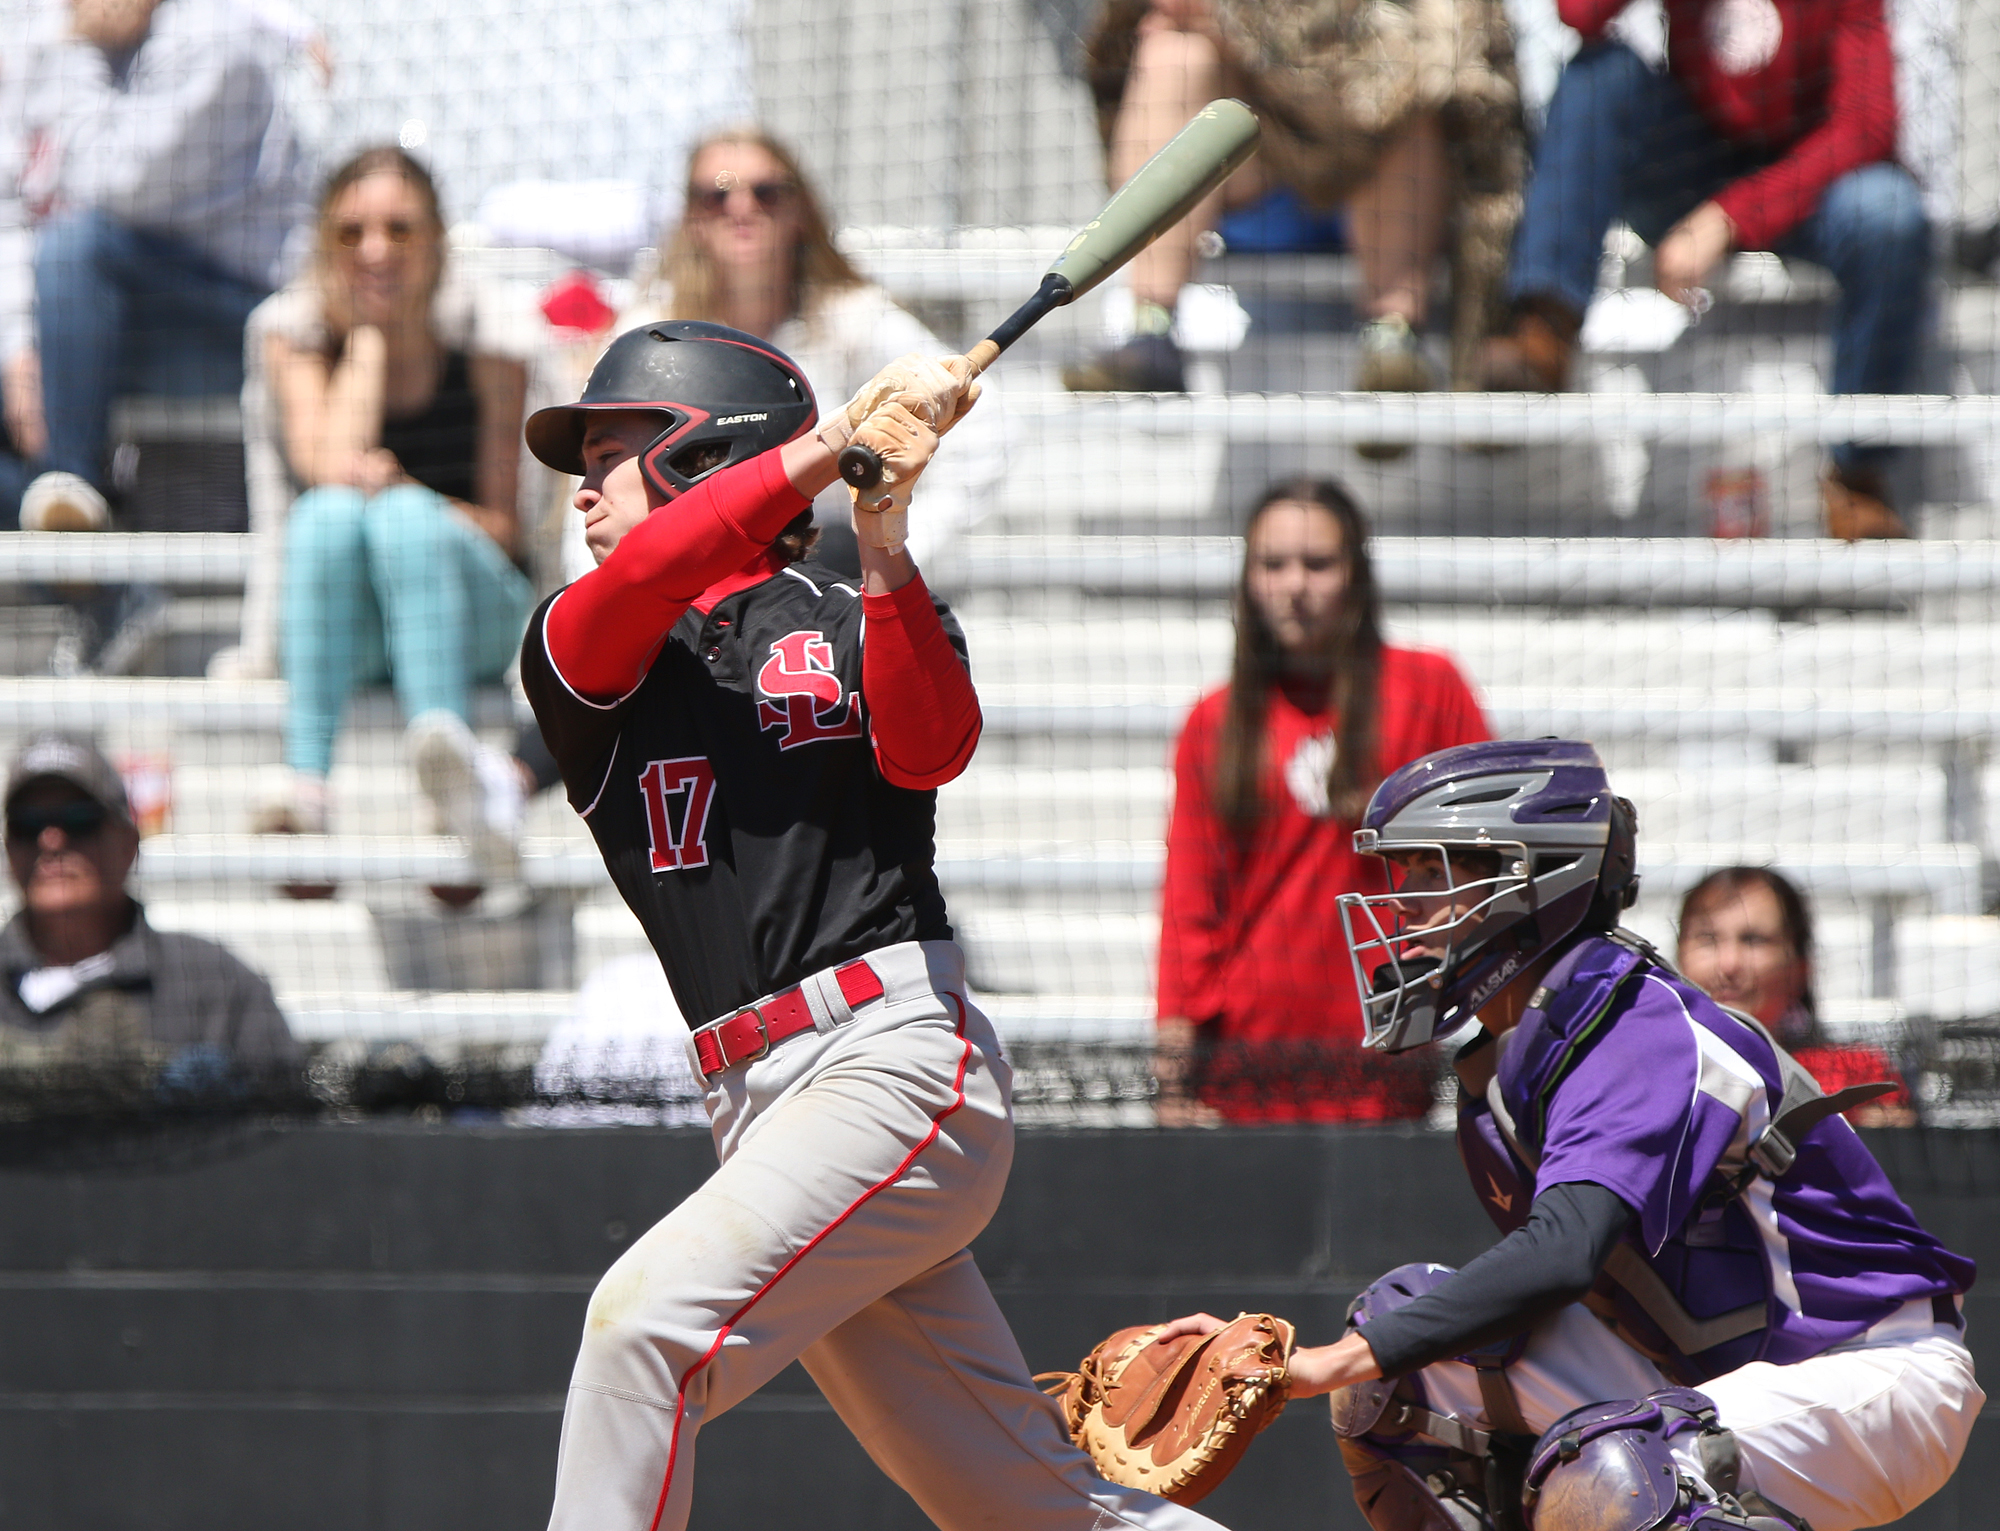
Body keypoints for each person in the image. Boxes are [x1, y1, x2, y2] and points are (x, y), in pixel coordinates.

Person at [516, 319, 1238, 1531]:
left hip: (892, 1061)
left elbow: (931, 743)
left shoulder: (850, 609)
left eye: (616, 445)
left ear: (705, 451)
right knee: (1021, 1506)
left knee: (638, 1329)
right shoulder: (585, 645)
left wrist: (886, 537)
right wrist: (835, 441)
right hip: (756, 1106)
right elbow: (649, 577)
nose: (582, 482)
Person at [1167, 739, 1978, 1531]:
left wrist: (1316, 1363)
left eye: (1432, 869)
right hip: (1715, 1379)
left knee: (1624, 1464)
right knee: (1403, 1350)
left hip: (1871, 1371)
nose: (1403, 902)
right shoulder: (1500, 1068)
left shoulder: (1633, 1022)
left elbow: (1561, 1253)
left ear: (1530, 883)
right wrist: (1286, 1359)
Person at [1480, 0, 1927, 541]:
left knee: (1890, 212)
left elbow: (1867, 128)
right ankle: (1542, 331)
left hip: (1808, 180)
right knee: (1600, 74)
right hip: (1690, 158)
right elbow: (1579, 15)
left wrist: (1730, 218)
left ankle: (1858, 473)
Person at [1156, 479, 1487, 1124]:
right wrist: (1173, 1075)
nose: (1294, 585)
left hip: (1389, 1057)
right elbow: (1189, 904)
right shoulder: (1212, 723)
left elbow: (1485, 858)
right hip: (1246, 1065)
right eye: (1272, 564)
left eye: (1318, 563)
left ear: (1356, 576)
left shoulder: (1431, 690)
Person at [249, 147, 535, 882]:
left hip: (477, 613)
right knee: (328, 518)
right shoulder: (300, 336)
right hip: (361, 628)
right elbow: (328, 469)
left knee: (401, 518)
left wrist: (413, 496)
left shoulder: (490, 343)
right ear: (324, 246)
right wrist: (371, 339)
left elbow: (507, 529)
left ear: (438, 240)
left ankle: (447, 784)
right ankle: (307, 784)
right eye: (351, 234)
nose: (376, 250)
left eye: (400, 230)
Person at [1067, 0, 1525, 407]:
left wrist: (1237, 18)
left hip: (1377, 172)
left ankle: (1393, 343)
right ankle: (1150, 332)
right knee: (1176, 50)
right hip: (1256, 179)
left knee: (1413, 78)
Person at [621, 126, 1002, 564]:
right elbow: (608, 468)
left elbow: (987, 422)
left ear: (799, 209)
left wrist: (888, 547)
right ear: (692, 218)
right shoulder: (655, 332)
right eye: (716, 195)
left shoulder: (854, 317)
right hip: (693, 573)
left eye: (766, 192)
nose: (741, 209)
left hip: (821, 571)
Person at [0, 0, 308, 532]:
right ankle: (88, 576)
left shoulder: (215, 38)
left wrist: (76, 51)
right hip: (92, 315)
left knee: (76, 248)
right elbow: (12, 208)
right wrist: (20, 345)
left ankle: (69, 479)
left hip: (239, 322)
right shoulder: (35, 34)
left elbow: (107, 184)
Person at [0, 733, 299, 1088]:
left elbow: (287, 1125)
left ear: (129, 844)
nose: (50, 841)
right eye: (27, 825)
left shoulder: (218, 985)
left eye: (80, 821)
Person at [1678, 864, 1915, 1127]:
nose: (1729, 964)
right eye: (1707, 938)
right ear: (1679, 955)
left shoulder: (1855, 1077)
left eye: (1753, 940)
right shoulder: (1649, 1067)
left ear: (1800, 967)